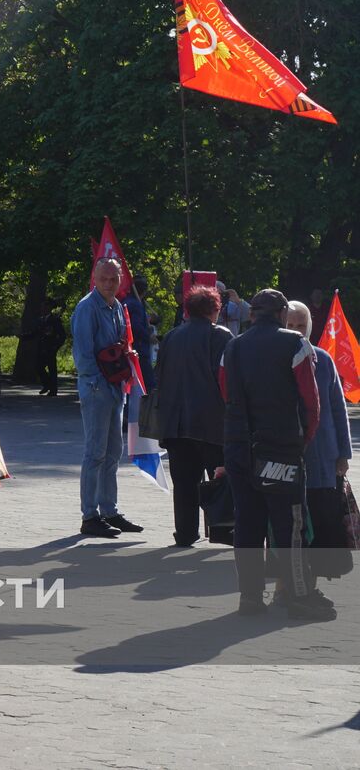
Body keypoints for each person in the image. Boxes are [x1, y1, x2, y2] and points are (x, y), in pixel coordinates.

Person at [221, 289, 327, 619]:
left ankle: (250, 599)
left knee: (248, 524)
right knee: (289, 524)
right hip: (281, 449)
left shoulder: (232, 346)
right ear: (282, 314)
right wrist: (303, 441)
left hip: (240, 448)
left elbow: (226, 393)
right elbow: (311, 402)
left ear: (253, 314)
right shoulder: (295, 344)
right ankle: (297, 596)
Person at [154, 285, 233, 547]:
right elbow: (227, 380)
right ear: (215, 310)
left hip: (176, 424)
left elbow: (160, 376)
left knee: (184, 483)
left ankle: (185, 534)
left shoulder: (171, 337)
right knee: (221, 479)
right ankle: (223, 531)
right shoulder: (220, 336)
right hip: (211, 423)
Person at [71, 257, 143, 538]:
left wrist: (128, 358)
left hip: (115, 388)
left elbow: (119, 345)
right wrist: (100, 385)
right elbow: (84, 356)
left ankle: (109, 510)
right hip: (98, 389)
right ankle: (90, 516)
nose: (109, 283)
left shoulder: (118, 306)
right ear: (95, 278)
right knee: (95, 453)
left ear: (121, 279)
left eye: (114, 278)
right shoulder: (87, 308)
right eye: (104, 278)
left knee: (113, 453)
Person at [286, 300, 352, 598]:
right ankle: (291, 584)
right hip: (288, 454)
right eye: (290, 325)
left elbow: (338, 409)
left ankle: (312, 580)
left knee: (321, 517)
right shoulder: (277, 357)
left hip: (322, 455)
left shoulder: (323, 359)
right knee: (292, 522)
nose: (297, 331)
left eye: (301, 325)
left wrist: (343, 454)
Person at [124, 277, 156, 391]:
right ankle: (149, 408)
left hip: (129, 349)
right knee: (149, 384)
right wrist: (148, 336)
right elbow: (136, 327)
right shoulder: (136, 305)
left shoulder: (127, 302)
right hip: (139, 349)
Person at [31, 300, 67, 396]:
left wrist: (56, 346)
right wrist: (25, 336)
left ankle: (53, 390)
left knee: (52, 369)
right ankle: (47, 384)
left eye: (45, 307)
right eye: (42, 307)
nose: (42, 309)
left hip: (51, 348)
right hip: (41, 347)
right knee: (38, 367)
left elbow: (62, 335)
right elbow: (36, 333)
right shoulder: (40, 320)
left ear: (49, 308)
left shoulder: (55, 320)